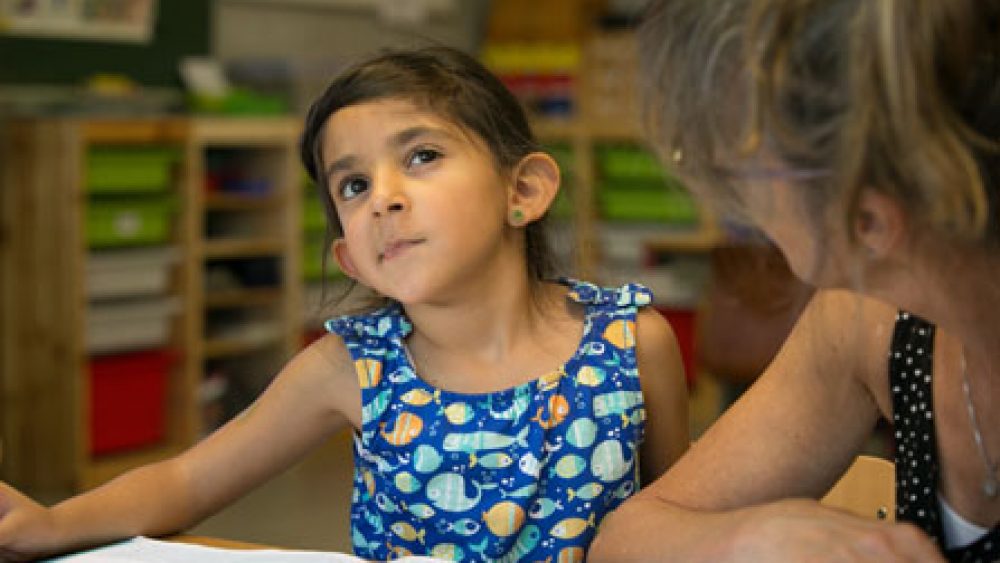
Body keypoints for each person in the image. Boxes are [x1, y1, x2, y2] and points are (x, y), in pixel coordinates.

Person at [0, 46, 689, 562]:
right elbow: (186, 481)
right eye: (353, 185)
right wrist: (52, 525)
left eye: (421, 156)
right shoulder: (351, 367)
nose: (383, 197)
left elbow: (679, 515)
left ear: (524, 190)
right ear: (351, 257)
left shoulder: (632, 343)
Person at [589, 0, 1000, 561]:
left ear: (868, 219)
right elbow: (623, 542)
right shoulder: (866, 316)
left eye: (753, 165)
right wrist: (743, 537)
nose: (747, 208)